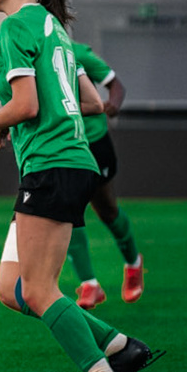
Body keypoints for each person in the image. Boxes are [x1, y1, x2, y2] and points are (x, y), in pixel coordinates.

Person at [0, 0, 157, 372]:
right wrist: (20, 118)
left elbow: (27, 103)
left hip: (51, 165)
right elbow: (89, 101)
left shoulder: (15, 28)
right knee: (13, 289)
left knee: (40, 289)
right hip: (66, 162)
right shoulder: (55, 29)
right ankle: (120, 347)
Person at [64, 39, 147, 307]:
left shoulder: (76, 53)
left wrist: (112, 104)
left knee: (107, 210)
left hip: (94, 142)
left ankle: (133, 264)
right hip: (63, 144)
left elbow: (115, 84)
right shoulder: (31, 57)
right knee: (68, 211)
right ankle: (89, 284)